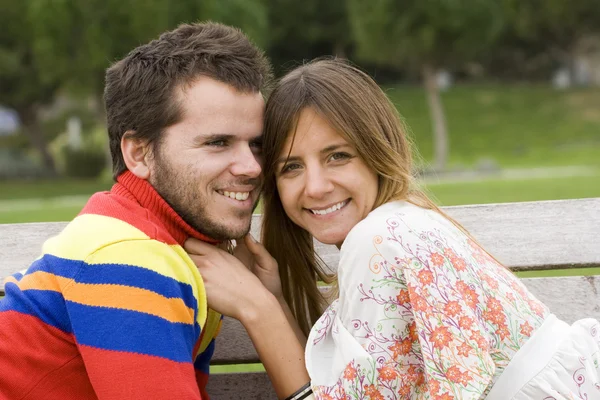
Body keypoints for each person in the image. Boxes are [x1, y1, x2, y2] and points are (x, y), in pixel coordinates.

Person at [185, 58, 600, 399]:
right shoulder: (404, 221)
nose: (314, 186)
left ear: (376, 150)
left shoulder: (378, 241)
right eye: (291, 167)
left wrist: (258, 310)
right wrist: (274, 297)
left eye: (338, 156)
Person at [0, 22, 274, 400]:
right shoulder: (127, 260)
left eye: (257, 144)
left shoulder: (164, 243)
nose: (251, 167)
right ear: (139, 154)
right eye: (217, 142)